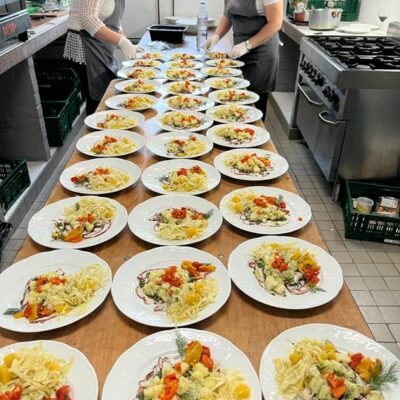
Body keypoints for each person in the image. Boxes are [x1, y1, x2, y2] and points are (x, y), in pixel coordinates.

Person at [63, 0, 143, 114]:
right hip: (84, 47)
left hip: (100, 46)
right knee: (98, 98)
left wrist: (126, 41)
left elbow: (114, 22)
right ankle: (97, 123)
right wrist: (120, 41)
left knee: (106, 92)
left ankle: (106, 120)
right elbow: (88, 19)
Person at [206, 0, 283, 115]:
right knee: (236, 97)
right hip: (240, 51)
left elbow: (275, 23)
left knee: (254, 104)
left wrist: (248, 45)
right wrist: (216, 36)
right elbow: (227, 15)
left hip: (261, 53)